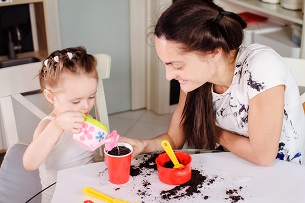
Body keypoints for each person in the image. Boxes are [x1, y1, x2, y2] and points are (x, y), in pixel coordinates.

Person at [120, 0, 305, 166]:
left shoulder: (261, 68)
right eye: (166, 65)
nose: (169, 76)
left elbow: (263, 156)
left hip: (282, 177)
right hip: (233, 168)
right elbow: (173, 138)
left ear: (213, 53)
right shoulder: (195, 80)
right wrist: (142, 145)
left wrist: (211, 130)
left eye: (177, 65)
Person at [23, 46, 100, 202]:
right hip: (60, 198)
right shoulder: (48, 126)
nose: (86, 106)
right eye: (76, 101)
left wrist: (109, 143)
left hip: (89, 193)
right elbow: (29, 163)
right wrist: (57, 126)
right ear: (51, 97)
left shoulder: (86, 116)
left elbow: (88, 155)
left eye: (91, 97)